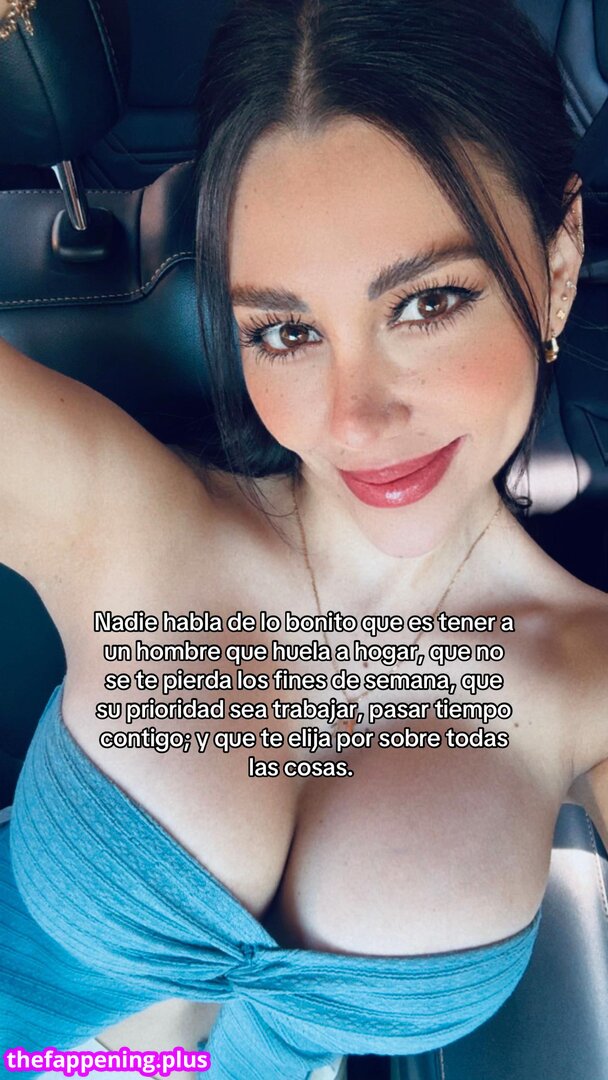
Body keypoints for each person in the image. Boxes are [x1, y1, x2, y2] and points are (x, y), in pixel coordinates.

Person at [1, 0, 607, 1077]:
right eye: (285, 331)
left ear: (558, 260)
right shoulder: (116, 515)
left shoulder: (586, 678)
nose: (353, 420)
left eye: (427, 303)